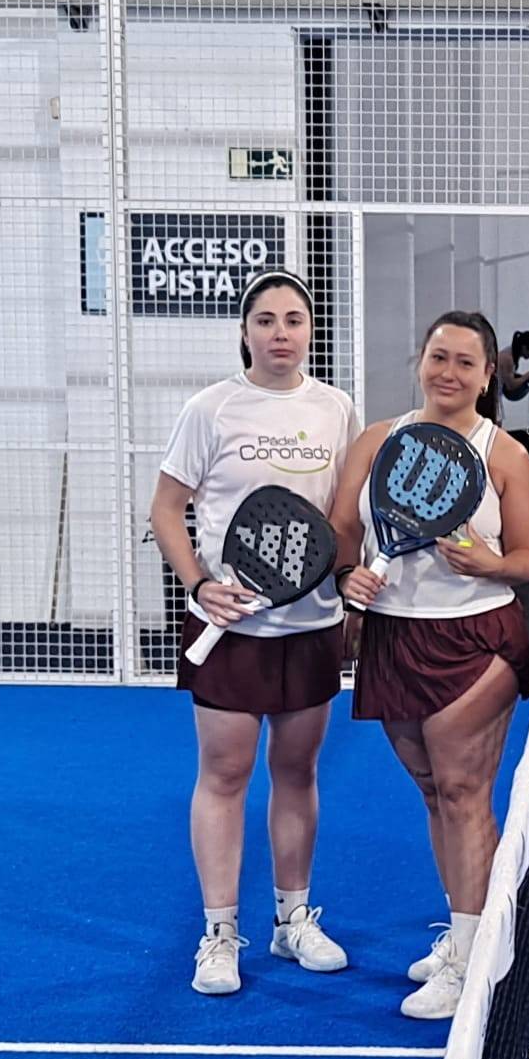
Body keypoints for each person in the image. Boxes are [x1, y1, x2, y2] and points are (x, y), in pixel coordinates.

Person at [329, 311, 529, 1020]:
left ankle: (473, 960)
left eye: (465, 363)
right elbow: (344, 532)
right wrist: (348, 579)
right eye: (438, 357)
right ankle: (468, 927)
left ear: (487, 377)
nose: (448, 373)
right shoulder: (375, 441)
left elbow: (528, 560)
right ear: (420, 361)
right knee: (434, 792)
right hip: (392, 638)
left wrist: (488, 563)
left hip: (476, 639)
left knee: (462, 791)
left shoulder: (504, 454)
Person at [148, 269, 358, 996]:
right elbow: (166, 508)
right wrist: (199, 584)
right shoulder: (210, 409)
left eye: (293, 319)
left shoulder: (336, 409)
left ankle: (292, 920)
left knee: (297, 772)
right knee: (226, 773)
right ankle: (218, 934)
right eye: (265, 320)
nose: (280, 333)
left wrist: (350, 594)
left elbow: (342, 519)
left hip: (312, 624)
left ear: (310, 329)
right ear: (245, 331)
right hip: (229, 627)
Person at [485, 328, 529, 426]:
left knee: (497, 425)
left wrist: (528, 380)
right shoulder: (508, 358)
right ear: (525, 348)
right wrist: (528, 375)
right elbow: (511, 385)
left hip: (494, 393)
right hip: (491, 394)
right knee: (496, 426)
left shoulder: (512, 353)